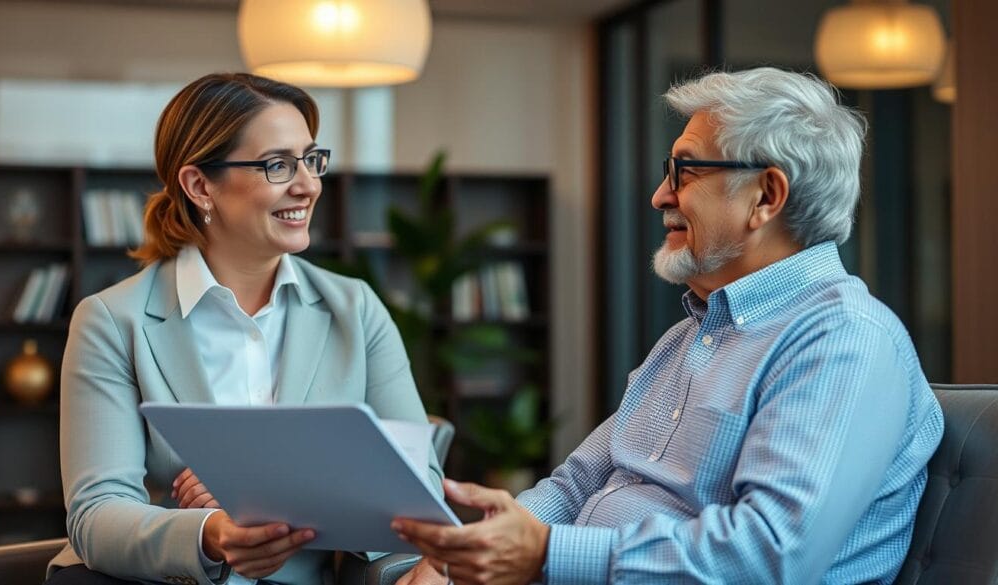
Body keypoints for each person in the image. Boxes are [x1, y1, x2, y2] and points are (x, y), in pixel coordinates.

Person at [392, 67, 944, 585]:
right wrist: (462, 553)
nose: (661, 196)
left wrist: (544, 553)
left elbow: (773, 553)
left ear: (766, 197)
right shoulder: (689, 335)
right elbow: (577, 484)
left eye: (685, 170)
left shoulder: (843, 340)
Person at [45, 72, 442, 585]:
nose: (308, 184)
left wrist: (264, 488)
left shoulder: (356, 309)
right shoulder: (111, 320)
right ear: (199, 185)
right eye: (278, 164)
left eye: (311, 159)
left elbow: (420, 486)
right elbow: (96, 514)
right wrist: (211, 531)